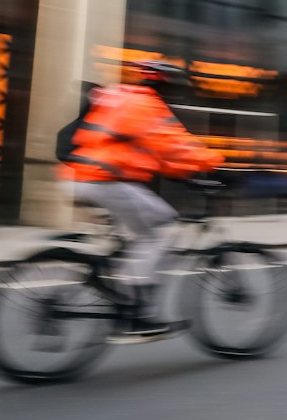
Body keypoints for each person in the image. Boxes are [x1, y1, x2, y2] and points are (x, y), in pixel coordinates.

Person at [58, 61, 219, 335]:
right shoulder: (146, 105)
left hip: (78, 175)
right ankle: (137, 313)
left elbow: (153, 153)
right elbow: (173, 145)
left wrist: (183, 175)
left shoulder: (119, 96)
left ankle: (108, 280)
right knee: (162, 231)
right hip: (103, 180)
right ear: (166, 85)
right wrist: (214, 166)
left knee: (138, 236)